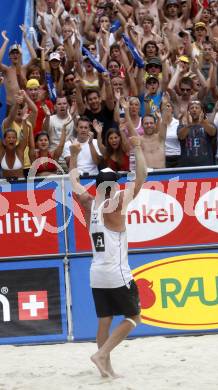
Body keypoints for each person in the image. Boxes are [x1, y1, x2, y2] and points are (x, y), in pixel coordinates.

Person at [69, 135, 147, 378]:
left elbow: (73, 181)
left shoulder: (89, 203)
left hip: (97, 274)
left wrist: (73, 154)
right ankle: (102, 355)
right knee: (134, 317)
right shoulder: (117, 205)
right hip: (116, 272)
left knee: (105, 320)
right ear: (113, 185)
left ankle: (106, 368)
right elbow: (142, 177)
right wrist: (136, 147)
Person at [178, 100, 217, 167]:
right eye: (192, 108)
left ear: (201, 111)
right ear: (188, 112)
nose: (194, 110)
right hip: (187, 166)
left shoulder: (209, 124)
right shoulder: (182, 126)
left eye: (197, 108)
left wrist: (203, 122)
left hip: (206, 165)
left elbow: (212, 132)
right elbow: (181, 136)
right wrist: (189, 125)